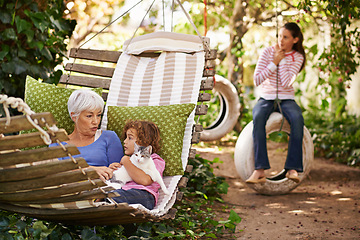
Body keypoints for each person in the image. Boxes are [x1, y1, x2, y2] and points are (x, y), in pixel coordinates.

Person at [246, 22, 306, 184]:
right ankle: (259, 170)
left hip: (287, 99)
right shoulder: (267, 52)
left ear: (295, 39)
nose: (281, 41)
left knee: (297, 119)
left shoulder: (298, 57)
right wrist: (274, 62)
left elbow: (287, 82)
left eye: (285, 37)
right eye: (280, 36)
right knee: (258, 117)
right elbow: (257, 79)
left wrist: (282, 60)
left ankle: (292, 169)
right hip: (266, 97)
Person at [49, 89, 124, 181]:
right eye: (89, 116)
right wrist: (89, 170)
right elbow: (54, 174)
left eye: (98, 115)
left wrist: (114, 169)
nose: (96, 122)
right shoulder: (57, 144)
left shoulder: (109, 137)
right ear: (74, 116)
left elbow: (119, 175)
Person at [108, 120, 165, 210]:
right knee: (114, 192)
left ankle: (105, 199)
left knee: (117, 195)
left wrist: (126, 161)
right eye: (125, 137)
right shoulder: (131, 159)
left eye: (130, 138)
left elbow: (145, 180)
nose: (125, 141)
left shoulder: (155, 160)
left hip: (145, 196)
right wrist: (112, 171)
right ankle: (103, 198)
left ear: (144, 142)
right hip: (124, 191)